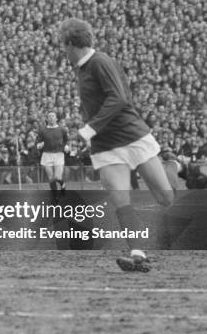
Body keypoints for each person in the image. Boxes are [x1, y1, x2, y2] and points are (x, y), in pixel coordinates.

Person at [59, 18, 174, 272]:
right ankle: (138, 254)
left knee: (166, 197)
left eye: (63, 45)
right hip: (105, 146)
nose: (62, 51)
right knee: (121, 200)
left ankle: (173, 166)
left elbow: (120, 98)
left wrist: (91, 127)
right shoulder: (81, 68)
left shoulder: (100, 61)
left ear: (71, 44)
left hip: (132, 136)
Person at [36, 112, 68, 199]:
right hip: (47, 154)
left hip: (58, 154)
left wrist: (66, 146)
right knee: (51, 178)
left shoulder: (62, 130)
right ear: (47, 119)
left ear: (56, 118)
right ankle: (55, 196)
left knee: (57, 177)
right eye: (49, 116)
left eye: (53, 116)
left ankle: (62, 184)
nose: (51, 118)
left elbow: (66, 140)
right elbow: (38, 142)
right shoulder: (43, 130)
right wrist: (39, 145)